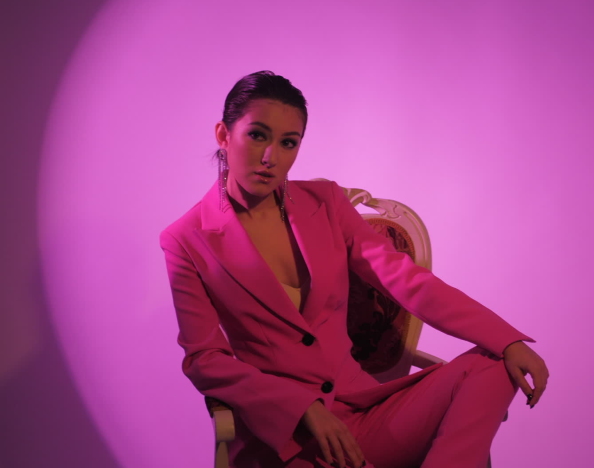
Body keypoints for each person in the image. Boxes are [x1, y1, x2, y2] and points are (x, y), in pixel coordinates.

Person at [160, 71, 549, 468]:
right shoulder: (186, 238)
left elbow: (408, 282)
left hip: (365, 413)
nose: (270, 157)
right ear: (224, 136)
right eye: (257, 135)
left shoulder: (326, 202)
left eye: (288, 142)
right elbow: (205, 358)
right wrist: (302, 409)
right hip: (288, 437)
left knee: (494, 364)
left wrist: (508, 340)